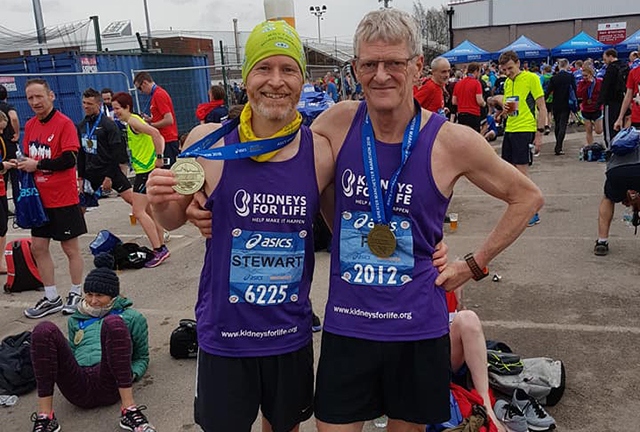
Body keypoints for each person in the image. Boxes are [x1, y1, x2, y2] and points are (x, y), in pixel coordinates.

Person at [146, 20, 335, 432]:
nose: (276, 81)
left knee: (283, 426)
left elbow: (349, 220)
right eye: (263, 69)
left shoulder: (320, 152)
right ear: (245, 78)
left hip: (289, 332)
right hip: (225, 333)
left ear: (303, 80)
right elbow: (173, 217)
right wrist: (160, 200)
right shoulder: (209, 141)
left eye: (288, 70)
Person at [28, 257, 155, 432]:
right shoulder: (76, 319)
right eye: (89, 294)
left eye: (99, 295)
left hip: (110, 381)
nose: (93, 301)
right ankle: (45, 417)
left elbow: (142, 357)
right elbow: (71, 353)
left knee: (113, 323)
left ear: (113, 296)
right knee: (43, 330)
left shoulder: (132, 318)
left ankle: (129, 411)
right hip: (78, 384)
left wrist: (130, 374)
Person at [18, 79, 87, 319]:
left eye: (39, 96)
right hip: (39, 200)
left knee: (70, 248)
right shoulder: (30, 125)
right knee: (38, 247)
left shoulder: (65, 124)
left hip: (63, 198)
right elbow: (29, 157)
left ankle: (77, 292)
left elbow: (69, 159)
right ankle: (51, 297)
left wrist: (37, 164)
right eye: (30, 98)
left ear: (51, 96)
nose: (35, 102)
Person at [111, 92, 170, 268]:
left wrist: (159, 158)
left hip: (146, 171)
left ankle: (159, 249)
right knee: (150, 212)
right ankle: (161, 246)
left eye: (117, 109)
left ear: (127, 107)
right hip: (145, 169)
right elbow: (159, 136)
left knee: (138, 211)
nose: (115, 112)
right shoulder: (133, 121)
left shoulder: (133, 121)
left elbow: (155, 132)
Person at [498, 50, 547, 227]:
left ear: (518, 63)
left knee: (522, 172)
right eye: (504, 70)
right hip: (510, 129)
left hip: (525, 129)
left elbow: (542, 107)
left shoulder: (531, 78)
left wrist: (539, 134)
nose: (508, 72)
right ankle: (519, 207)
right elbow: (513, 109)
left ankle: (532, 211)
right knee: (509, 172)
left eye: (510, 68)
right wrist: (502, 111)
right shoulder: (507, 83)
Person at [77, 88, 133, 211]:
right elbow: (80, 154)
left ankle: (156, 219)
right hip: (91, 172)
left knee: (132, 198)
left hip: (109, 170)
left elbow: (116, 153)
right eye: (84, 103)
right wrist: (80, 177)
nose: (86, 106)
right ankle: (76, 230)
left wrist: (108, 177)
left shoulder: (108, 125)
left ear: (99, 104)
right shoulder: (81, 126)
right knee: (80, 206)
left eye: (89, 104)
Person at [133, 72, 180, 167]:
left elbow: (169, 120)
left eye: (140, 88)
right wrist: (150, 119)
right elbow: (162, 117)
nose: (141, 92)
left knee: (169, 170)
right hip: (163, 139)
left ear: (145, 83)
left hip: (168, 139)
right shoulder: (156, 94)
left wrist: (150, 126)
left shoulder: (159, 95)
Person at [545, 58, 577, 155]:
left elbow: (548, 91)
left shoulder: (554, 78)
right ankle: (559, 146)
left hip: (556, 103)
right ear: (567, 65)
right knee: (563, 124)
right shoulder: (570, 76)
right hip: (567, 103)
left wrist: (543, 100)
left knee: (558, 125)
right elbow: (574, 90)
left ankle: (558, 144)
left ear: (559, 66)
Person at [598, 48, 626, 148]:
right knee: (619, 125)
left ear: (610, 56)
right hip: (622, 101)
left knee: (609, 127)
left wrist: (600, 101)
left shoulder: (611, 69)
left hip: (610, 101)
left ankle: (611, 148)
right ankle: (619, 147)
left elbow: (605, 86)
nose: (604, 61)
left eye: (605, 59)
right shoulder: (624, 66)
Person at [0, 84, 21, 202]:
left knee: (2, 177)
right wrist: (17, 133)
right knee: (15, 178)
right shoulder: (8, 106)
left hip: (2, 149)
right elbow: (13, 117)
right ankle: (19, 205)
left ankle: (4, 205)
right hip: (9, 144)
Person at [452, 62, 486, 132]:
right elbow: (479, 101)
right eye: (479, 72)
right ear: (476, 71)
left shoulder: (458, 84)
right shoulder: (476, 83)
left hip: (461, 114)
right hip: (473, 114)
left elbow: (454, 101)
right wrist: (484, 103)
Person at [577, 65, 604, 146]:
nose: (584, 77)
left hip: (596, 108)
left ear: (591, 74)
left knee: (598, 131)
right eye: (583, 76)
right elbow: (579, 94)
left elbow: (602, 93)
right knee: (588, 130)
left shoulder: (599, 82)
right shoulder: (582, 83)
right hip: (586, 109)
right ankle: (590, 147)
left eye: (586, 75)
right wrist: (587, 84)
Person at [0, 111, 12, 274]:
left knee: (3, 226)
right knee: (1, 227)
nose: (1, 133)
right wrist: (3, 166)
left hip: (1, 188)